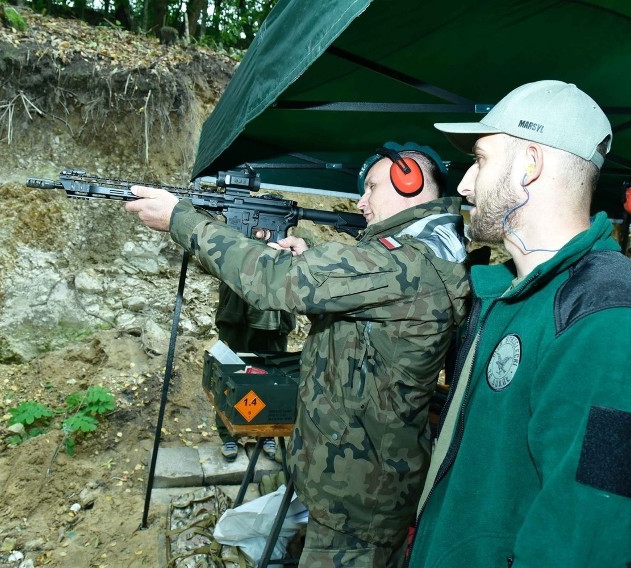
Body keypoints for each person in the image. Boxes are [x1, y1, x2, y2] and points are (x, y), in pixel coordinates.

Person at [125, 141, 470, 566]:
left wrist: (182, 220)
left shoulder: (404, 262)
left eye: (372, 187)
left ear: (410, 181)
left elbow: (276, 281)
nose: (361, 202)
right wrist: (310, 263)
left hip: (358, 497)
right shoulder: (413, 258)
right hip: (357, 481)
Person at [408, 80, 631, 567]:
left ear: (529, 165)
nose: (462, 184)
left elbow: (588, 543)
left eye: (480, 159)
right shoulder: (513, 298)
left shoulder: (614, 322)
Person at [213, 283, 295, 461]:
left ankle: (266, 433)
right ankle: (228, 436)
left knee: (272, 381)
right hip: (236, 316)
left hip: (275, 322)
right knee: (230, 376)